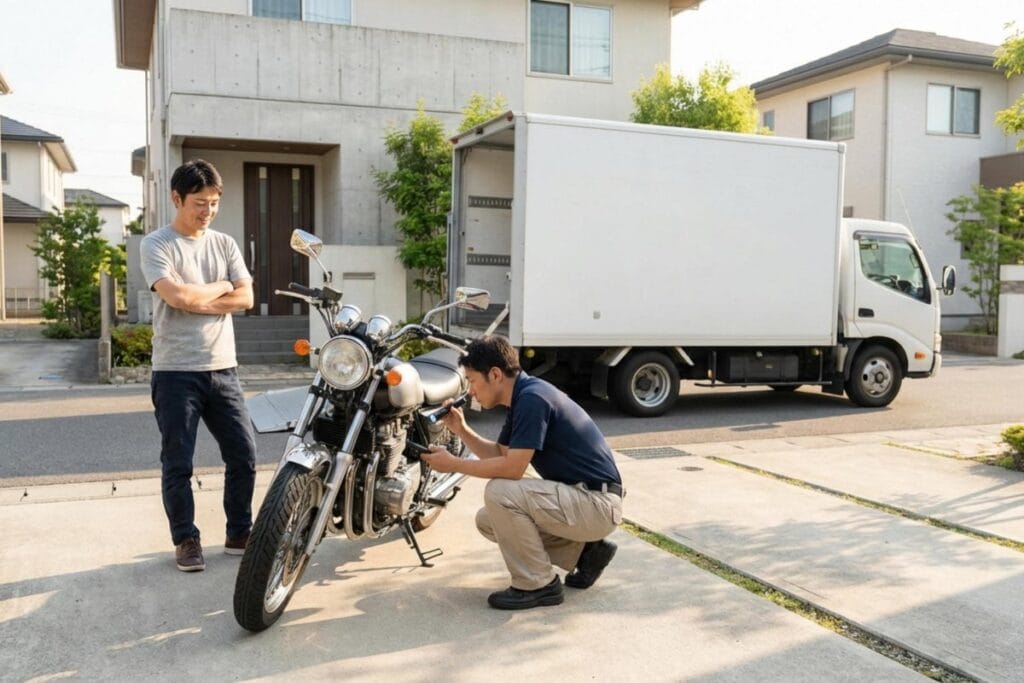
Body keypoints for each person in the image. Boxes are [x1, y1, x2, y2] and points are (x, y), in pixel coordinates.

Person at [421, 335, 624, 610]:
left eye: (472, 380)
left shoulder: (532, 399)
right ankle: (586, 553)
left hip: (597, 504)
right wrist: (461, 430)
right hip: (586, 500)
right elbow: (501, 455)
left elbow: (512, 469)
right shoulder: (522, 397)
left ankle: (538, 584)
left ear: (494, 374)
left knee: (499, 492)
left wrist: (454, 464)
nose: (470, 391)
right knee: (488, 518)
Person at [140, 159, 257, 573]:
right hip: (175, 371)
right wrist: (223, 285)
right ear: (176, 198)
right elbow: (178, 299)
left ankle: (239, 531)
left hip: (223, 367)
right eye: (198, 203)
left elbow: (246, 299)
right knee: (179, 463)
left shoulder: (224, 244)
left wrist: (210, 293)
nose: (207, 211)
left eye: (213, 203)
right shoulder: (157, 244)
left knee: (244, 453)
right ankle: (186, 540)